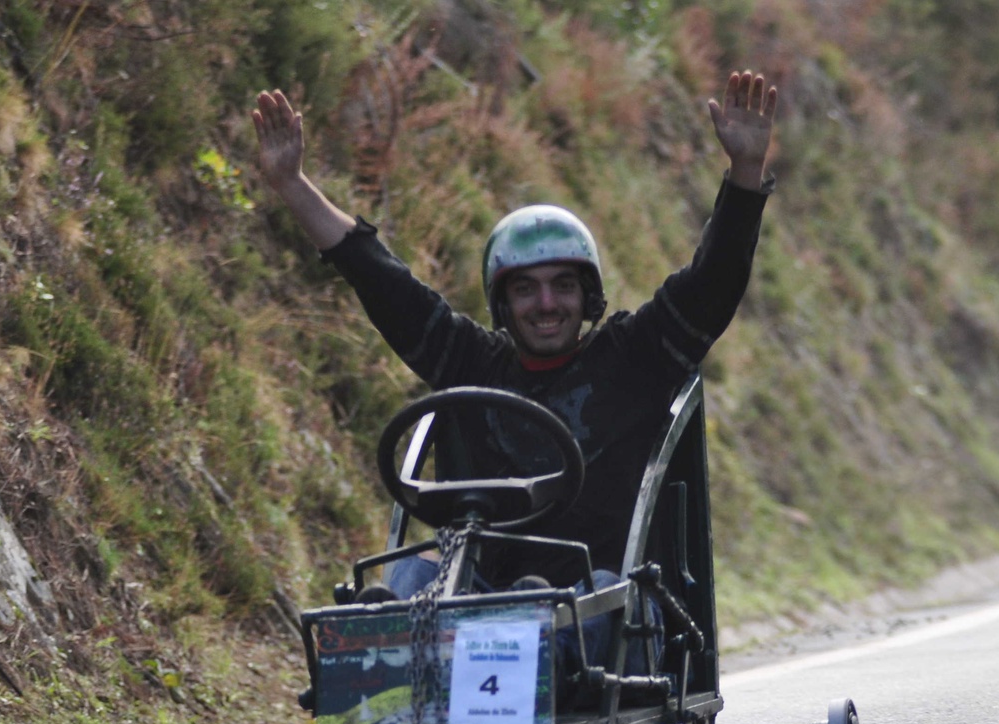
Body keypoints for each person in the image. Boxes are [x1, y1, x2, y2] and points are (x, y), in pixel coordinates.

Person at [251, 70, 776, 611]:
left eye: (562, 286)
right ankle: (387, 646)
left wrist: (745, 171)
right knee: (409, 572)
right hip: (477, 598)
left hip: (600, 617)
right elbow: (381, 281)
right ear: (503, 302)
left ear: (586, 295)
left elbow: (713, 284)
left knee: (575, 599)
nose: (546, 304)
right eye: (526, 289)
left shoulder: (633, 356)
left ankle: (531, 621)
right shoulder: (471, 362)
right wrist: (292, 184)